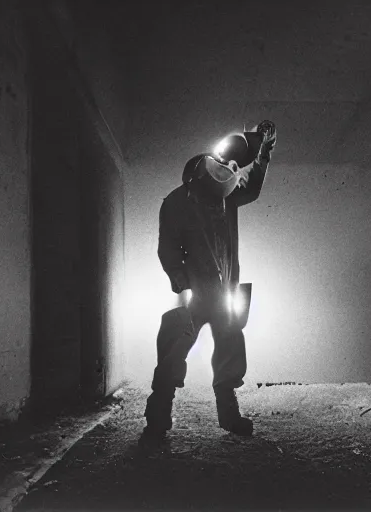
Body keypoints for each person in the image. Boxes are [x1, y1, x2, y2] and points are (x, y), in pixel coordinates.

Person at [139, 121, 277, 449]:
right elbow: (167, 249)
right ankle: (156, 422)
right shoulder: (176, 203)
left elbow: (252, 186)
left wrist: (264, 151)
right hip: (195, 291)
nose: (228, 174)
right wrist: (183, 286)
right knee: (174, 348)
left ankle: (229, 416)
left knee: (230, 345)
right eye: (222, 168)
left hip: (225, 288)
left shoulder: (225, 195)